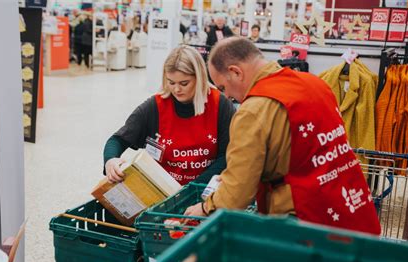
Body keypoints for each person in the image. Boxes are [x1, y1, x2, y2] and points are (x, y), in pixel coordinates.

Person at [185, 37, 381, 235]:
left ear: (236, 72)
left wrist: (204, 207)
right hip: (351, 210)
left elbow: (237, 196)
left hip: (306, 226)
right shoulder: (315, 83)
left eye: (222, 88)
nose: (226, 96)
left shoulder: (253, 111)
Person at [103, 45, 235, 185]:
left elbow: (227, 156)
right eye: (171, 82)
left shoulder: (220, 104)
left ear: (199, 78)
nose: (176, 89)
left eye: (184, 83)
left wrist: (192, 188)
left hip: (205, 190)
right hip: (163, 191)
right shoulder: (155, 107)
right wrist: (110, 160)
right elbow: (117, 140)